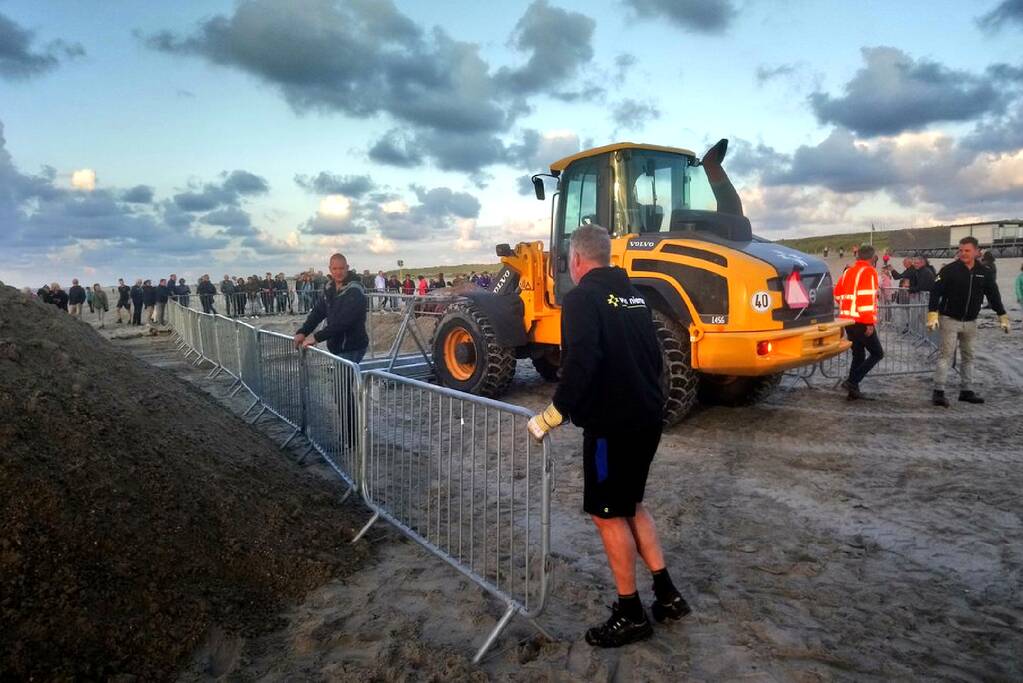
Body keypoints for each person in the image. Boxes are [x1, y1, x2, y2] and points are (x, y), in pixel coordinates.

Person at [526, 224, 688, 648]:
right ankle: (667, 594)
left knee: (607, 512)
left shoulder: (581, 298)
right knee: (632, 503)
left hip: (612, 426)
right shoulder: (633, 294)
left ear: (576, 261)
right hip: (647, 418)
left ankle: (630, 611)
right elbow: (654, 355)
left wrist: (553, 414)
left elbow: (580, 362)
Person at [928, 236, 1009, 406]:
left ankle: (966, 390)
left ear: (976, 251)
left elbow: (993, 294)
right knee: (946, 355)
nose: (963, 253)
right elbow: (935, 292)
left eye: (967, 250)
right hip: (949, 319)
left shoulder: (984, 272)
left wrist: (1002, 314)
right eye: (961, 250)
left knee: (969, 356)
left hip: (971, 321)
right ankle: (939, 391)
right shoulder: (949, 270)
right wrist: (932, 313)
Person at [295, 253, 368, 363]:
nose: (338, 272)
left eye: (341, 268)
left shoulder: (355, 290)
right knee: (341, 379)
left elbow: (344, 321)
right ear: (330, 269)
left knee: (344, 380)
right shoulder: (329, 288)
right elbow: (318, 312)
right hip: (337, 345)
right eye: (335, 268)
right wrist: (303, 332)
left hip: (351, 347)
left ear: (347, 268)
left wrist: (316, 337)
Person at [834, 244, 884, 400]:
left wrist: (846, 308)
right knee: (877, 353)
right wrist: (869, 323)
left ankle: (853, 390)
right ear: (872, 257)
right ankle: (852, 381)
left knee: (858, 355)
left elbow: (837, 294)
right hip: (862, 321)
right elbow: (867, 299)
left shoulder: (849, 271)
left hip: (848, 320)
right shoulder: (869, 272)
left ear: (858, 256)